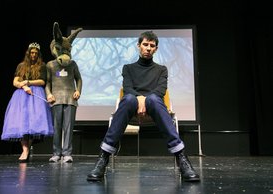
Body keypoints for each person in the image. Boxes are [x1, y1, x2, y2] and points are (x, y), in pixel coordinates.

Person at [86, 31, 200, 182]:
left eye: (152, 46)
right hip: (131, 109)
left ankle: (181, 157)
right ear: (138, 46)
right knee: (128, 99)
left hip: (154, 108)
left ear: (156, 49)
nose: (148, 48)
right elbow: (127, 88)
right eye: (145, 44)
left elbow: (160, 91)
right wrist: (139, 99)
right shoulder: (128, 68)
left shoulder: (161, 70)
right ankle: (103, 158)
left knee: (153, 98)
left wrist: (144, 100)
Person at [1, 42, 54, 163]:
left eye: (36, 53)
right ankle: (25, 150)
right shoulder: (21, 66)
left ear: (38, 54)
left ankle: (27, 148)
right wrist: (22, 85)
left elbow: (42, 81)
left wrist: (28, 83)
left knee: (33, 123)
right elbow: (15, 81)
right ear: (28, 53)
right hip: (21, 96)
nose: (33, 55)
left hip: (35, 95)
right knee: (22, 122)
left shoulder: (42, 66)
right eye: (32, 52)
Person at [45, 42, 82, 163]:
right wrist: (49, 94)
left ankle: (67, 153)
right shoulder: (50, 65)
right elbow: (48, 82)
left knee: (68, 127)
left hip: (70, 99)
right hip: (56, 100)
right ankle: (56, 153)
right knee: (57, 127)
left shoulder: (72, 64)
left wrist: (78, 90)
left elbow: (79, 79)